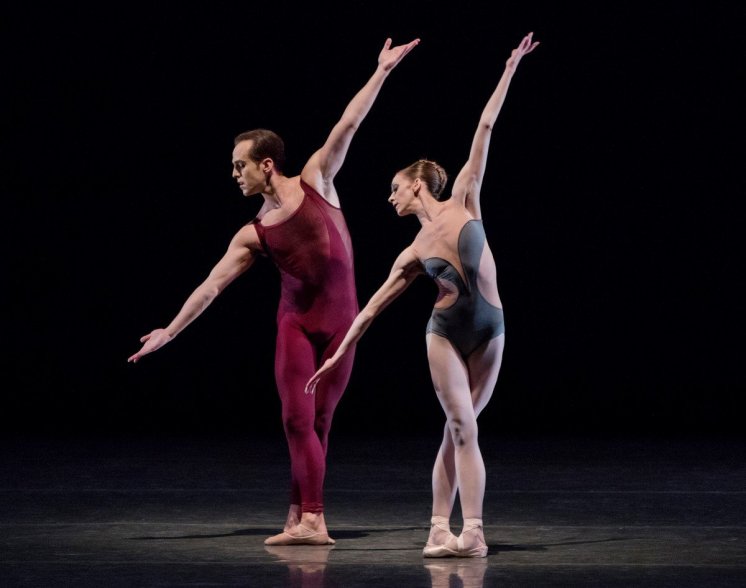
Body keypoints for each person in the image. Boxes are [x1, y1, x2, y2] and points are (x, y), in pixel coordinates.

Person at [127, 37, 420, 546]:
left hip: (343, 326)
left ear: (266, 164)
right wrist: (170, 331)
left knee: (321, 421)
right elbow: (211, 286)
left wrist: (381, 72)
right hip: (297, 327)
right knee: (295, 417)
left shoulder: (316, 180)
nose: (233, 174)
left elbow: (347, 124)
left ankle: (299, 516)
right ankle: (313, 521)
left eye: (240, 165)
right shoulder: (253, 233)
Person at [305, 32, 539, 557]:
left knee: (462, 431)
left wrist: (510, 68)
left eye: (394, 187)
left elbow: (484, 126)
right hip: (445, 335)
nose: (389, 197)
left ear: (416, 185)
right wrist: (337, 354)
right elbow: (369, 311)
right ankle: (464, 533)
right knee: (460, 424)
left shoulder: (464, 199)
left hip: (491, 329)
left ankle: (446, 528)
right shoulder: (409, 254)